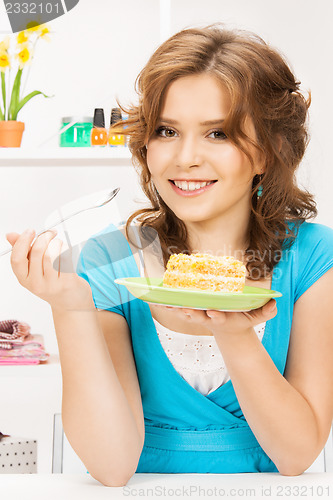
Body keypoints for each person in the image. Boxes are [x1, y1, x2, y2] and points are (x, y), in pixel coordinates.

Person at [6, 25, 333, 485]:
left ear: (267, 151)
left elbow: (296, 454)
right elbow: (112, 466)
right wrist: (69, 307)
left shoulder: (312, 256)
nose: (185, 157)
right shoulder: (108, 260)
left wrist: (234, 330)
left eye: (218, 133)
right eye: (167, 131)